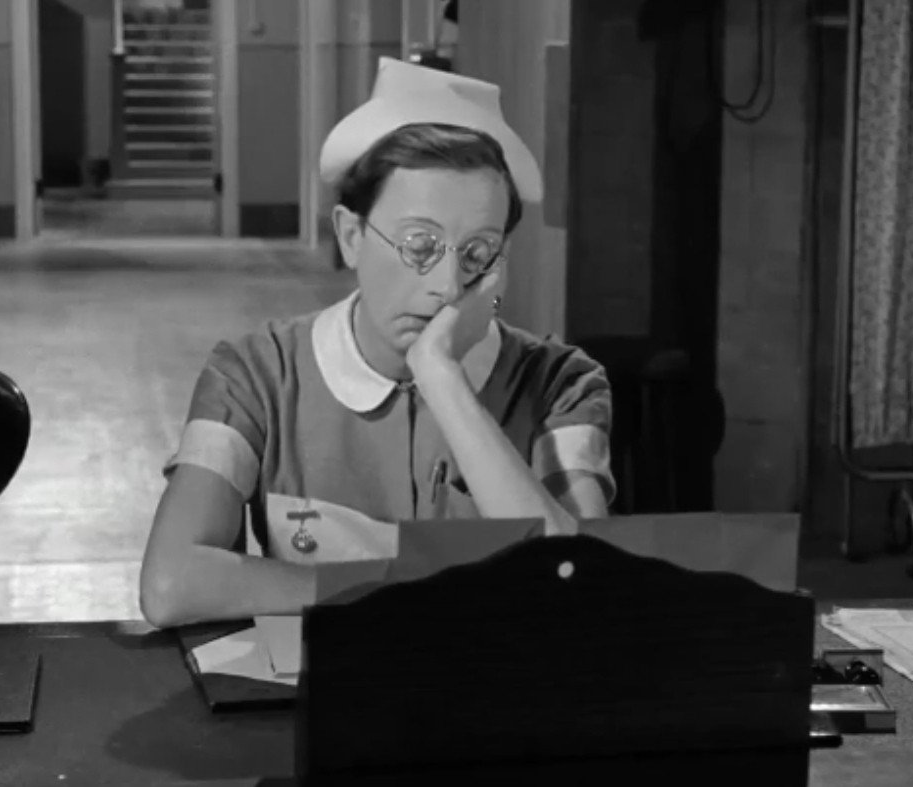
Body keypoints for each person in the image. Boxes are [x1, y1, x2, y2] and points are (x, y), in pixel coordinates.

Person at [140, 58, 615, 627]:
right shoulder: (256, 375)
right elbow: (171, 585)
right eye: (420, 245)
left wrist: (441, 376)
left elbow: (582, 587)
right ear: (351, 236)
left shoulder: (561, 384)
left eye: (477, 252)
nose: (447, 286)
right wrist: (407, 589)